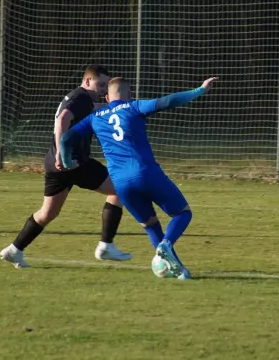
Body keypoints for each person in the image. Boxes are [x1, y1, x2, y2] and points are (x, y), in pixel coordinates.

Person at [60, 76, 219, 279]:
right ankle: (166, 246)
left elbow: (66, 138)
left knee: (150, 224)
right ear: (129, 94)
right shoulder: (133, 106)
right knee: (182, 214)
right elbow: (168, 101)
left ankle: (179, 271)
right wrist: (200, 90)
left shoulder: (96, 116)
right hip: (145, 173)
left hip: (120, 183)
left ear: (107, 97)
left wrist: (66, 162)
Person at [0, 65, 132, 267]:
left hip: (55, 165)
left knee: (47, 213)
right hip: (73, 163)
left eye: (107, 85)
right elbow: (63, 120)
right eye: (101, 84)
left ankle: (14, 249)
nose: (104, 89)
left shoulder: (80, 99)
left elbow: (96, 112)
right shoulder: (82, 97)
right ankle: (106, 245)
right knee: (121, 188)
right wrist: (63, 153)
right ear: (87, 81)